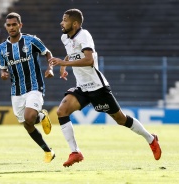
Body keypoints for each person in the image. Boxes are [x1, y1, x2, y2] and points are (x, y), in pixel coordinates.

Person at [49, 9, 162, 167]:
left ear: (75, 24)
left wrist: (64, 63)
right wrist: (64, 65)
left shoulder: (84, 35)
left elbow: (88, 60)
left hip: (97, 87)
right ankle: (75, 152)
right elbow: (72, 51)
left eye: (65, 20)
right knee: (62, 111)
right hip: (82, 87)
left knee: (121, 119)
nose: (61, 22)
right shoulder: (64, 37)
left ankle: (151, 138)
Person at [0, 12, 55, 163]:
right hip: (16, 90)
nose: (11, 27)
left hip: (35, 85)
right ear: (5, 27)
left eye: (14, 24)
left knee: (30, 117)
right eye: (8, 25)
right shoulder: (2, 48)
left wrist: (50, 68)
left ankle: (39, 115)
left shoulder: (31, 41)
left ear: (20, 25)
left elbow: (47, 53)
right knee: (27, 124)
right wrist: (3, 73)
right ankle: (48, 151)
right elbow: (2, 68)